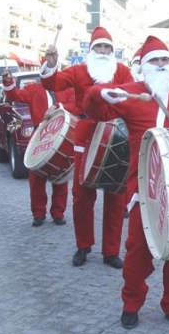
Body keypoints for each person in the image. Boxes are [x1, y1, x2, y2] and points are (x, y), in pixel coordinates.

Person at [82, 35, 169, 330]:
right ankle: (131, 302)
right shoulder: (131, 92)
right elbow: (96, 111)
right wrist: (101, 94)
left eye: (166, 60)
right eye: (155, 60)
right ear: (144, 66)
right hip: (145, 186)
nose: (162, 65)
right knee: (138, 248)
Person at [40, 26, 133, 269]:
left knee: (116, 195)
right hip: (86, 133)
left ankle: (111, 251)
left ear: (112, 51)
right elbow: (54, 82)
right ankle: (83, 246)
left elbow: (133, 97)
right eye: (99, 47)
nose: (103, 51)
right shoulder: (80, 70)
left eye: (107, 47)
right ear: (92, 50)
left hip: (116, 135)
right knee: (82, 196)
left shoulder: (122, 71)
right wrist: (50, 65)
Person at [2, 72, 77, 227]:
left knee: (60, 176)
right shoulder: (34, 89)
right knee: (36, 178)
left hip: (62, 135)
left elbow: (76, 105)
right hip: (40, 135)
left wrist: (58, 106)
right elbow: (14, 94)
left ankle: (58, 213)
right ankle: (38, 214)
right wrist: (8, 81)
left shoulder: (67, 90)